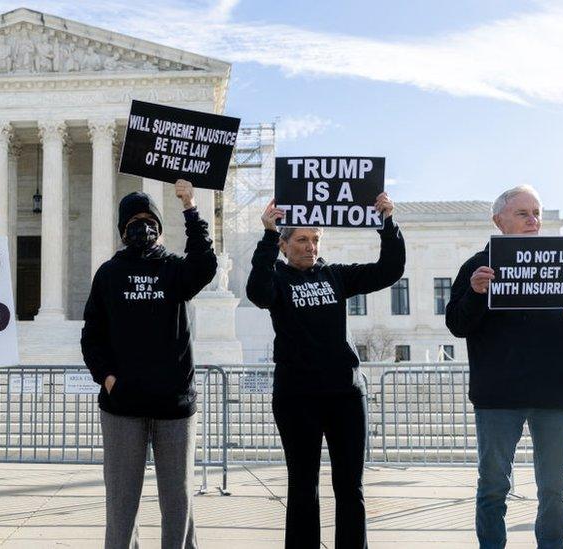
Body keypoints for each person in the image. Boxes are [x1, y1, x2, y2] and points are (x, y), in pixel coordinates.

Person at [246, 194, 404, 549]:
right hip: (297, 397)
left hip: (345, 396)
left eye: (315, 239)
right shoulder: (276, 280)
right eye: (301, 239)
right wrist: (268, 235)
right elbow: (256, 292)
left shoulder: (335, 276)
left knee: (351, 487)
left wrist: (387, 224)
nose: (310, 246)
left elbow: (388, 271)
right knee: (303, 486)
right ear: (285, 246)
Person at [445, 185, 563, 549]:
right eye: (523, 213)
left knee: (555, 488)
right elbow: (458, 325)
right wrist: (476, 294)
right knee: (493, 485)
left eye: (536, 213)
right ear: (499, 220)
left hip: (556, 395)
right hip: (498, 397)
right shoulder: (476, 267)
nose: (533, 220)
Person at [81, 179, 217, 549]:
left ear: (158, 227)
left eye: (149, 219)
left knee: (178, 502)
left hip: (174, 407)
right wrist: (108, 379)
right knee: (121, 504)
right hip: (122, 407)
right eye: (134, 221)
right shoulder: (109, 274)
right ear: (123, 230)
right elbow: (92, 335)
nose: (142, 226)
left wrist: (190, 208)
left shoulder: (175, 270)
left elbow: (205, 264)